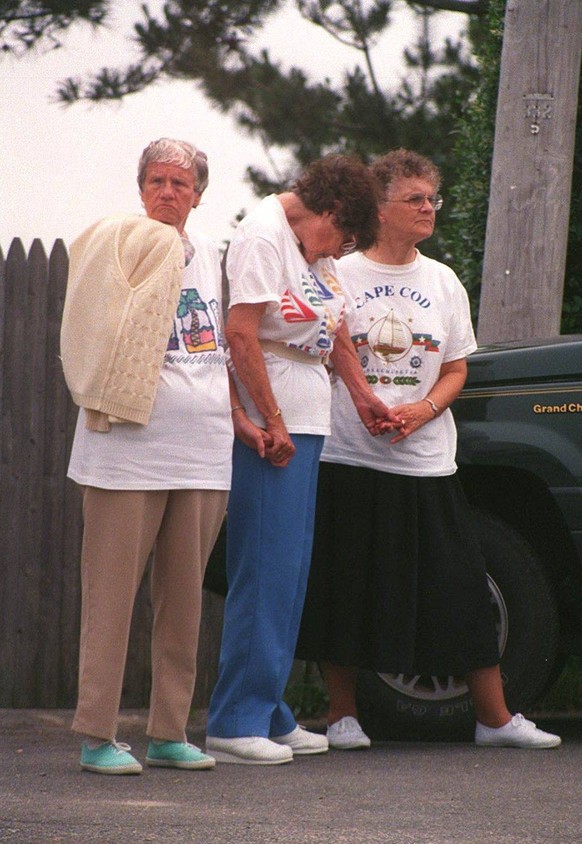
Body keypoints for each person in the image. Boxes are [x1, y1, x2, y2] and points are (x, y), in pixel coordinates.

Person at [295, 148, 561, 751]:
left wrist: (422, 410)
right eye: (414, 198)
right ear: (381, 208)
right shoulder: (342, 274)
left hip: (426, 458)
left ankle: (495, 721)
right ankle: (342, 718)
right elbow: (323, 350)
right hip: (350, 455)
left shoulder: (442, 281)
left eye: (431, 199)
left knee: (463, 588)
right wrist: (369, 402)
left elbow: (456, 368)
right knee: (346, 586)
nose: (427, 209)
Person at [205, 154, 403, 765]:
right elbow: (241, 334)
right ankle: (235, 719)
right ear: (332, 209)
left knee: (289, 573)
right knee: (263, 568)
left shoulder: (313, 247)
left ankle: (269, 709)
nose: (338, 250)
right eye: (342, 237)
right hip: (276, 422)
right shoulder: (264, 235)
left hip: (310, 412)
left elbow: (334, 331)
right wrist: (272, 420)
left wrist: (365, 395)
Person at [60, 138, 233, 774]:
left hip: (204, 450)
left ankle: (168, 732)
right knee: (110, 601)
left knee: (185, 604)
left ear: (198, 195)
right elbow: (88, 318)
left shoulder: (214, 255)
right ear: (141, 188)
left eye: (180, 185)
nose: (167, 192)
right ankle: (97, 734)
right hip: (127, 453)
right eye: (157, 181)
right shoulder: (120, 242)